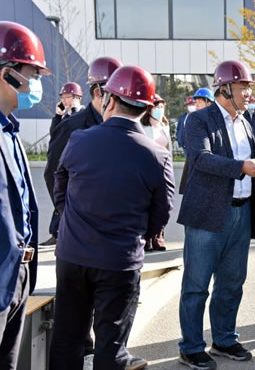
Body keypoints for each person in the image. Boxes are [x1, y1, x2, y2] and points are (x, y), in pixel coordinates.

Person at [49, 65, 175, 370]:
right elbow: (162, 211)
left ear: (110, 99)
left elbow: (59, 185)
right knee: (111, 347)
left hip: (73, 255)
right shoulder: (157, 155)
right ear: (146, 108)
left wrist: (72, 221)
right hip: (120, 260)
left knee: (67, 339)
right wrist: (136, 234)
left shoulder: (80, 140)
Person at [177, 60, 255, 370]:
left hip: (241, 213)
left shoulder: (246, 121)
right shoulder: (199, 120)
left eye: (249, 87)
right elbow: (200, 158)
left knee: (232, 282)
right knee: (196, 285)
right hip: (208, 215)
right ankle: (191, 347)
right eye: (244, 87)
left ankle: (225, 339)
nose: (248, 93)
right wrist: (241, 167)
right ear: (225, 88)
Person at [0, 20, 50, 370]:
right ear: (7, 74)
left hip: (16, 276)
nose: (36, 85)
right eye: (32, 75)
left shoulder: (10, 130)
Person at [42, 56, 123, 247]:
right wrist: (67, 213)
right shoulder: (72, 127)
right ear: (98, 92)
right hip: (80, 226)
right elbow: (53, 172)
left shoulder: (119, 124)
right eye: (116, 95)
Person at [141, 93, 172, 252]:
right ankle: (147, 238)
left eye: (161, 107)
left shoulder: (165, 126)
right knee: (147, 205)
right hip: (147, 170)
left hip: (164, 170)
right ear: (149, 109)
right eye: (156, 107)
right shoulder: (142, 127)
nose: (159, 110)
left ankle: (159, 236)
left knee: (163, 204)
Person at [178, 88, 216, 194]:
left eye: (200, 102)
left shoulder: (215, 119)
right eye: (196, 102)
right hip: (195, 158)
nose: (197, 105)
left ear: (209, 103)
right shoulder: (194, 118)